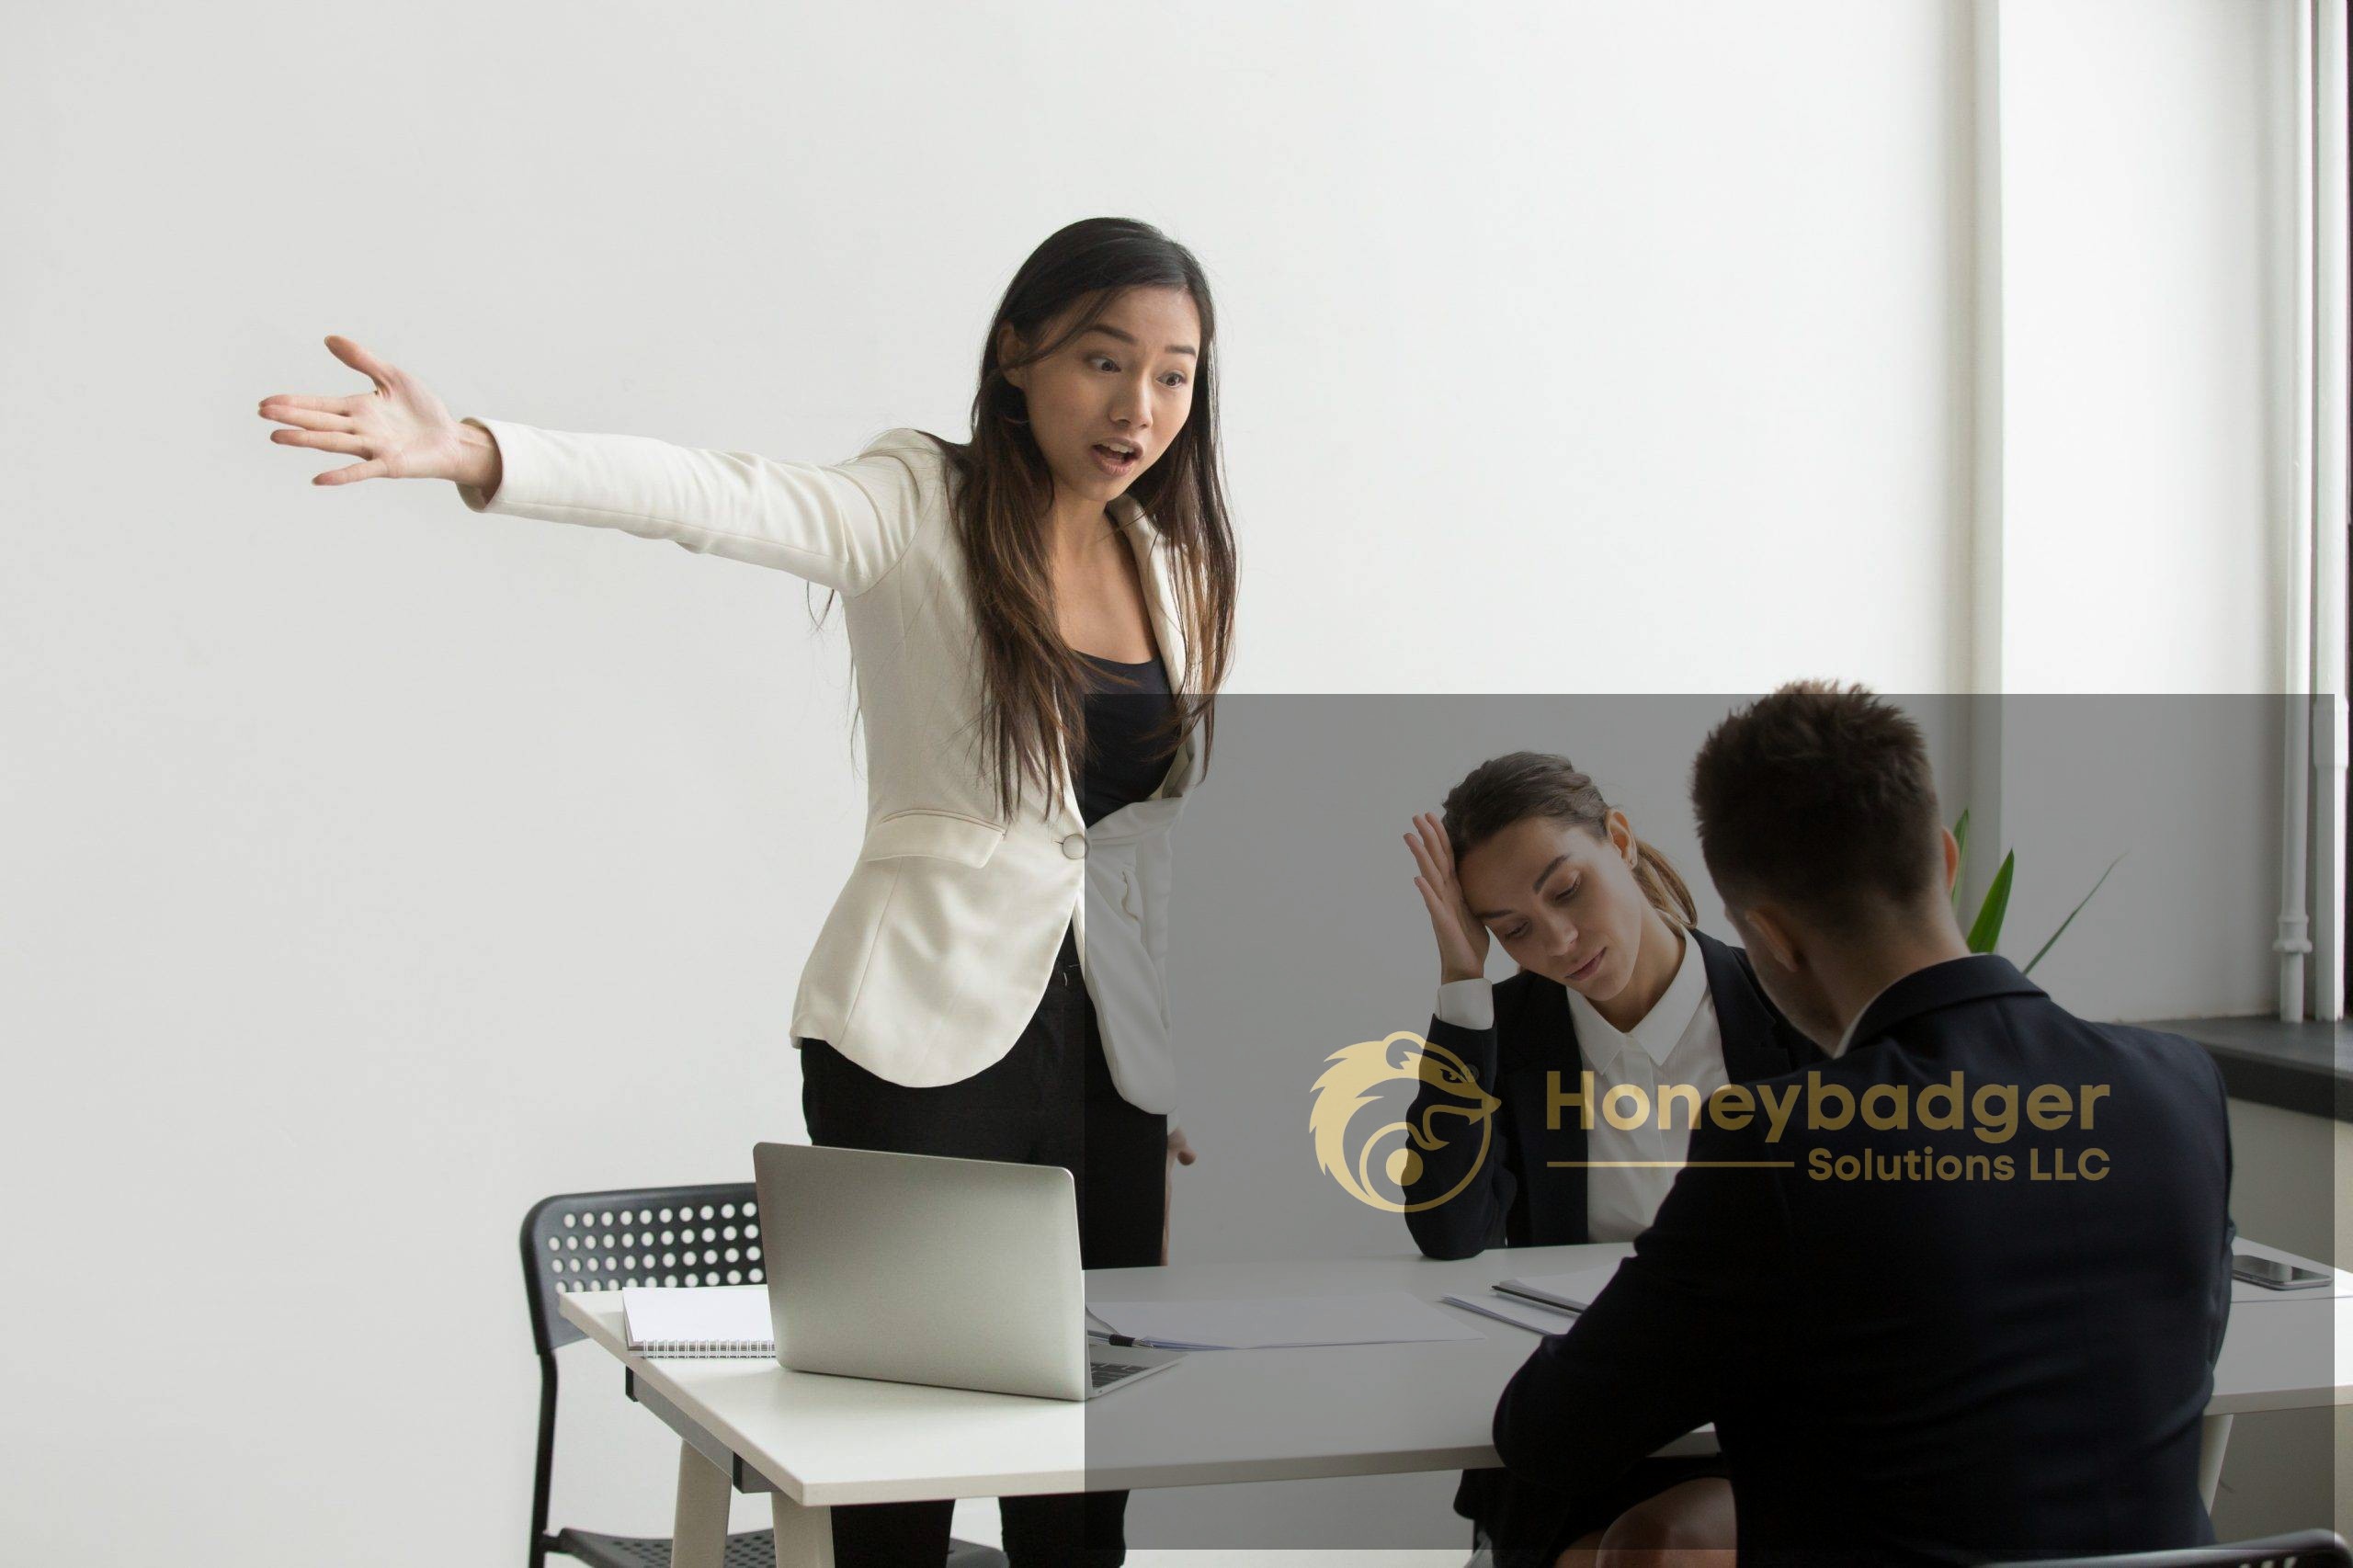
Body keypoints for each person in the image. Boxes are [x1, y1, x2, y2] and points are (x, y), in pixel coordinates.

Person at [256, 217, 1236, 1568]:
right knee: (895, 1481)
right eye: (1103, 359)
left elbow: (1135, 849)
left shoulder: (1174, 575)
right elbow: (718, 494)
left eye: (1175, 374)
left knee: (1080, 1497)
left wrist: (1160, 1064)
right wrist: (479, 450)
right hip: (923, 1039)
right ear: (1018, 353)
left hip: (1107, 1075)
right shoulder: (919, 501)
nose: (1139, 406)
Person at [1489, 681, 2235, 1566]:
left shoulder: (1780, 1142)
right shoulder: (2180, 1087)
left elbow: (1549, 1435)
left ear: (1770, 937)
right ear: (1947, 862)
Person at [1397, 754, 1815, 1566]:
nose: (1556, 940)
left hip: (1761, 1412)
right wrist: (1462, 983)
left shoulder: (1784, 1005)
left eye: (1566, 889)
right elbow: (1450, 1233)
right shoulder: (1505, 1030)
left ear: (1619, 840)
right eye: (1512, 928)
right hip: (1587, 1410)